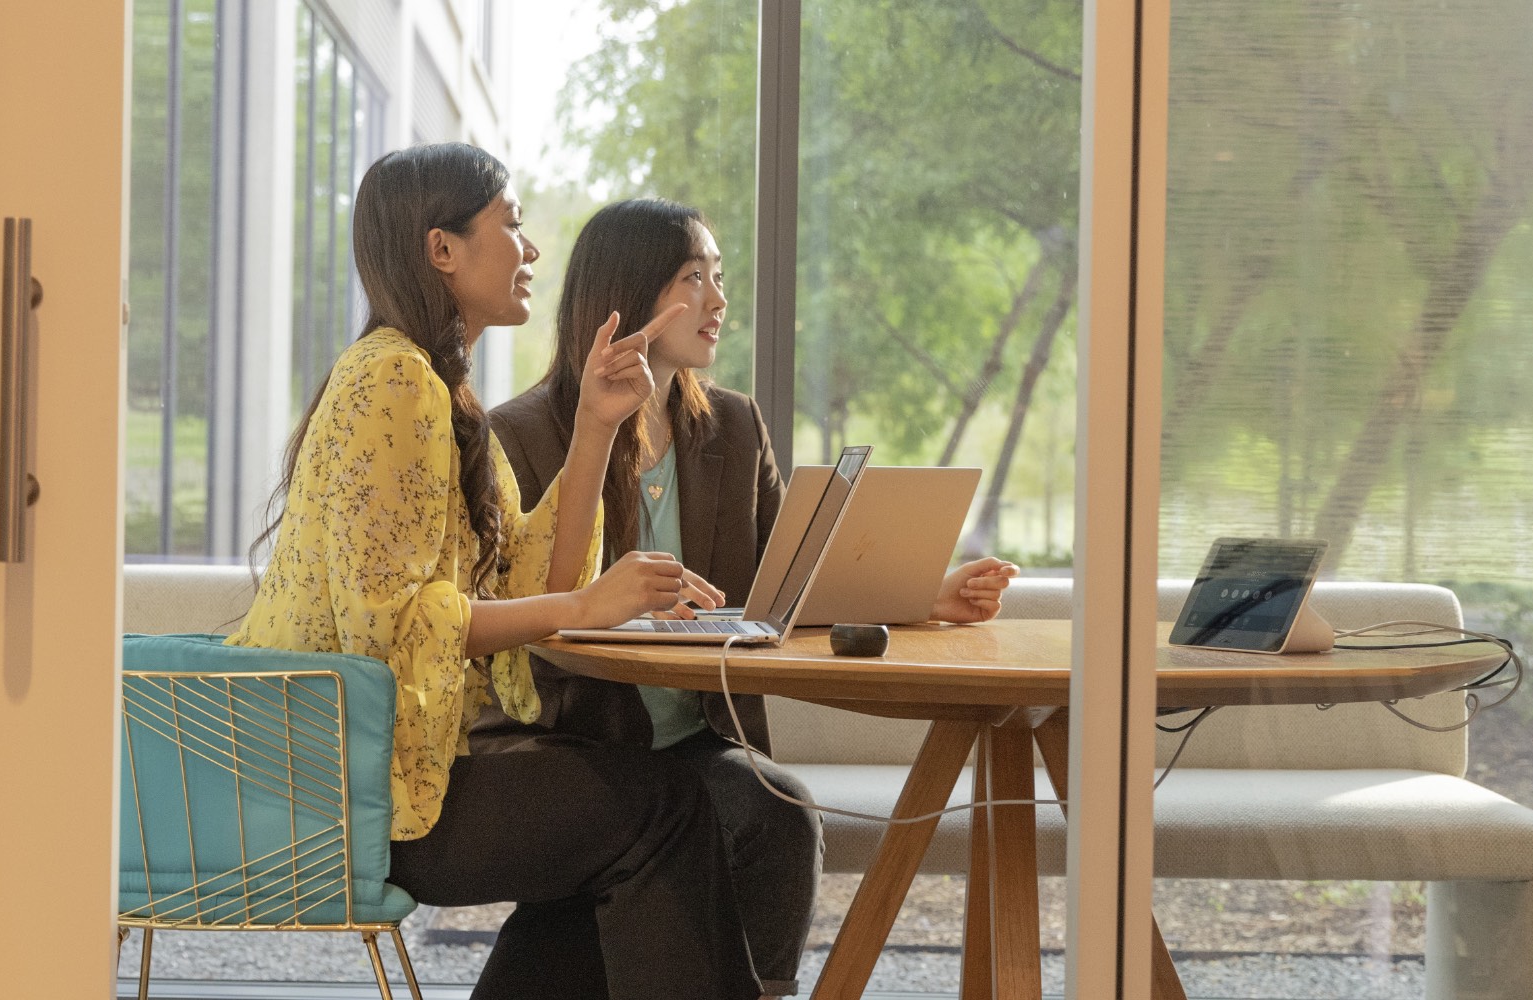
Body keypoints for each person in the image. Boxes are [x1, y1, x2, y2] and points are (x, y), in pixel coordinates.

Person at [226, 145, 761, 1000]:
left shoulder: (441, 387)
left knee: (635, 818)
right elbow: (392, 621)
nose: (531, 249)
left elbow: (520, 583)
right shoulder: (392, 379)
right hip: (365, 790)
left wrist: (593, 427)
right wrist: (588, 600)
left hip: (399, 767)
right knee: (662, 809)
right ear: (443, 249)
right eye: (511, 225)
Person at [477, 198, 1018, 996]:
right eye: (695, 277)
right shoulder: (521, 434)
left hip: (697, 734)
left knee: (777, 813)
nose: (718, 301)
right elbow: (518, 616)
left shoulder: (731, 425)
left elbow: (784, 585)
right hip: (576, 736)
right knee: (672, 841)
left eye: (719, 278)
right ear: (629, 293)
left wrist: (926, 593)